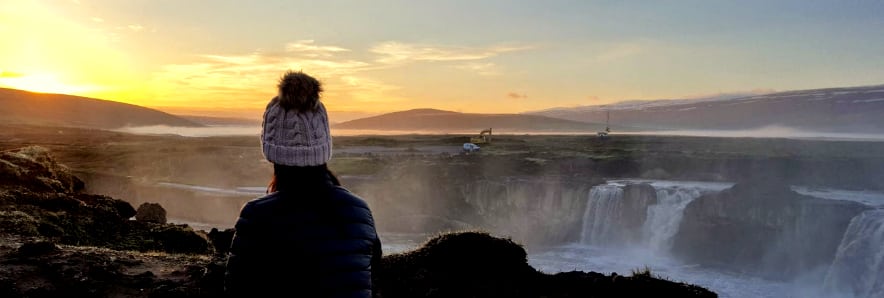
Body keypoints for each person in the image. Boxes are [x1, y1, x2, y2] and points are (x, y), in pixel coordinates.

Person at [225, 71, 382, 298]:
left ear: (273, 153)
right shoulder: (360, 211)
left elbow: (236, 291)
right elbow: (371, 279)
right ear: (323, 147)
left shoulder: (257, 217)